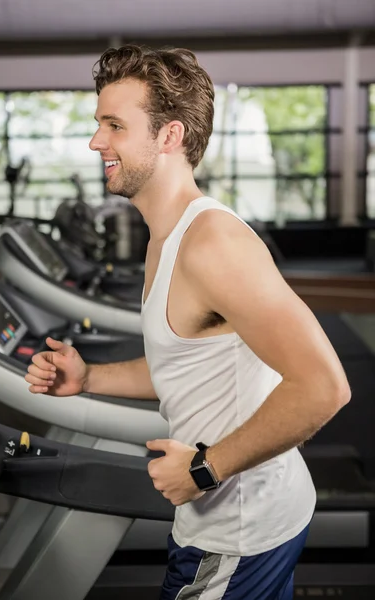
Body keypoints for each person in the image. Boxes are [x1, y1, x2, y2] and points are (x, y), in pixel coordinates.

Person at [25, 45, 351, 600]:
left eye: (114, 125)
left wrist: (205, 469)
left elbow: (325, 386)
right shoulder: (167, 239)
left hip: (237, 533)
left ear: (169, 136)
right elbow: (186, 364)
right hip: (237, 519)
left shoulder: (211, 243)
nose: (95, 141)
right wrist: (90, 378)